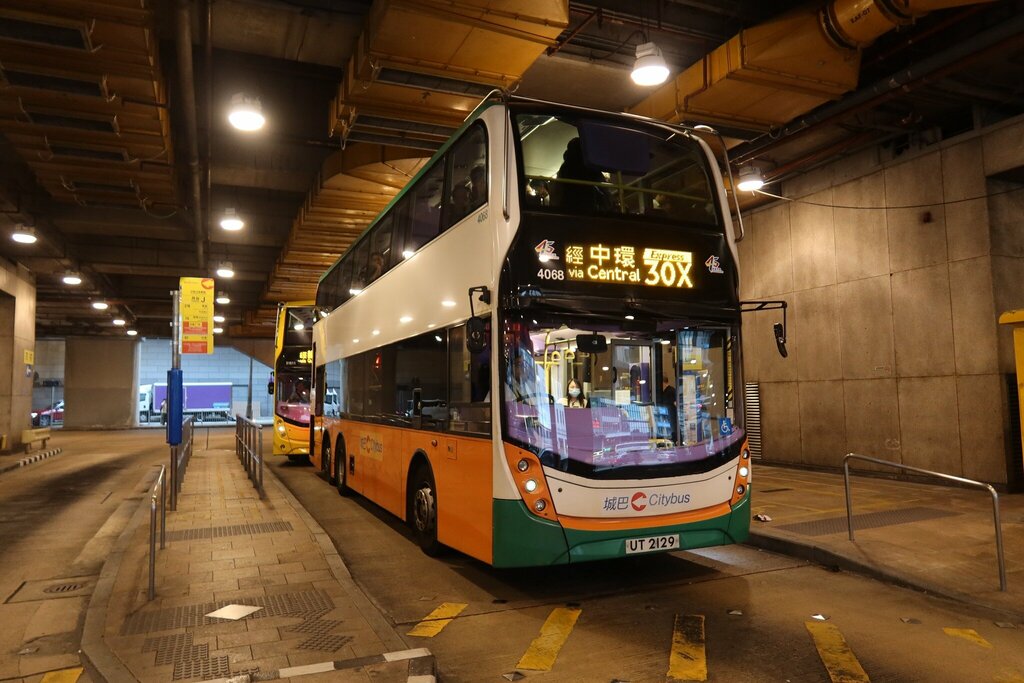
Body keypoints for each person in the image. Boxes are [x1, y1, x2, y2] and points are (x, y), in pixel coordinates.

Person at [551, 137, 606, 211]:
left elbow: (557, 190)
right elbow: (601, 183)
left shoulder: (565, 167)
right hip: (588, 202)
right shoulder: (589, 165)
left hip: (567, 204)